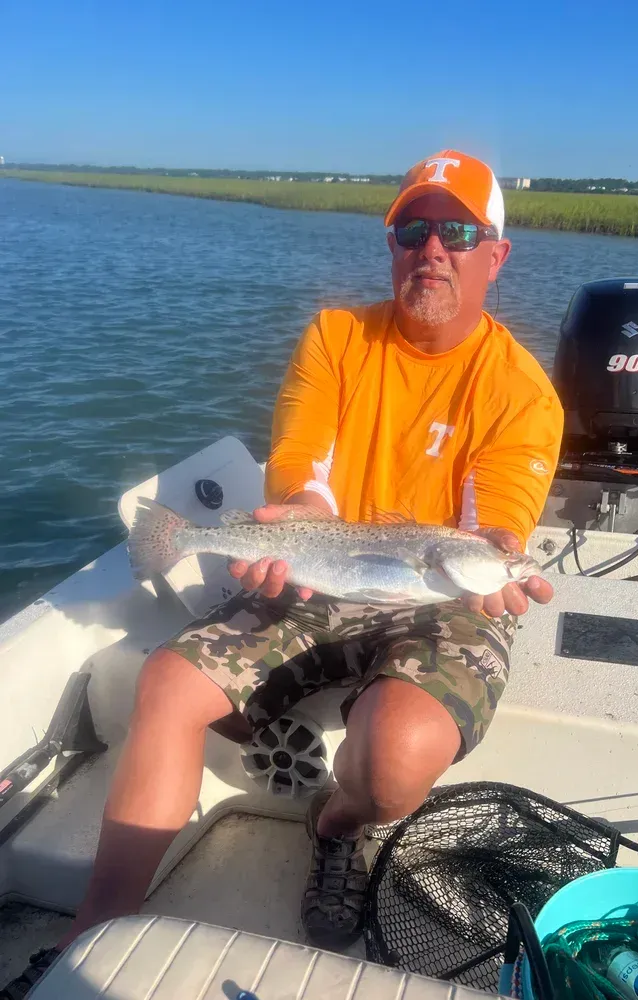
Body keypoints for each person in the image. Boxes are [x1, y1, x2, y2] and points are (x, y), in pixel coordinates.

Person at [1, 149, 563, 997]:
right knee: (166, 682)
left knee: (393, 765)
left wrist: (497, 568)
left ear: (496, 253)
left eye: (457, 230)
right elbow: (308, 476)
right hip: (317, 569)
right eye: (413, 228)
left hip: (445, 595)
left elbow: (495, 530)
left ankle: (335, 823)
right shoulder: (335, 337)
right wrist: (294, 514)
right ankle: (93, 939)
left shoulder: (522, 392)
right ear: (393, 243)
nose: (432, 249)